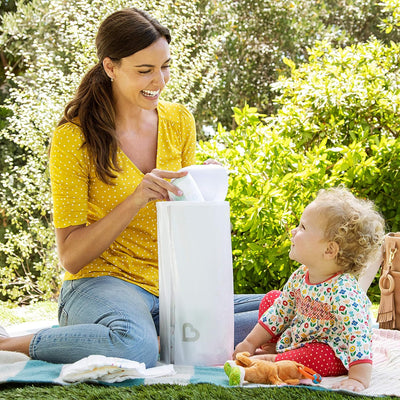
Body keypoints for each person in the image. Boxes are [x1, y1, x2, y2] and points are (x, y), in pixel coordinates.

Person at [0, 8, 262, 367]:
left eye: (165, 66)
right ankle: (11, 344)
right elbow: (71, 257)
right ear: (110, 67)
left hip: (171, 288)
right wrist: (137, 198)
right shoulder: (74, 138)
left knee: (280, 309)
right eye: (144, 70)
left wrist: (203, 187)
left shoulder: (178, 121)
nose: (159, 80)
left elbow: (183, 218)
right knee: (133, 348)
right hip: (100, 285)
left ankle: (159, 338)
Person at [233, 187, 385, 392]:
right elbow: (279, 313)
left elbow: (358, 335)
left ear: (329, 250)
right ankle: (276, 351)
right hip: (298, 338)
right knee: (273, 299)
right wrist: (249, 342)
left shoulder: (344, 292)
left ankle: (275, 360)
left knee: (320, 354)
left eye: (303, 227)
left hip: (328, 351)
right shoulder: (299, 277)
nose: (293, 231)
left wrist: (358, 378)